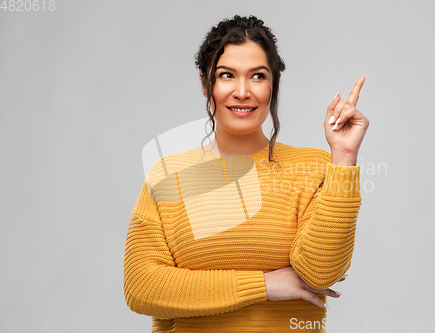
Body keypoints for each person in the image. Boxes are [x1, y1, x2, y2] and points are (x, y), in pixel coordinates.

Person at [123, 14, 369, 333]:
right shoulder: (168, 175)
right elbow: (142, 287)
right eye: (227, 75)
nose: (242, 92)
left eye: (257, 76)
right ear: (205, 82)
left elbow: (320, 273)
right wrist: (265, 285)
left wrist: (344, 156)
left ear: (273, 84)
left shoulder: (315, 167)